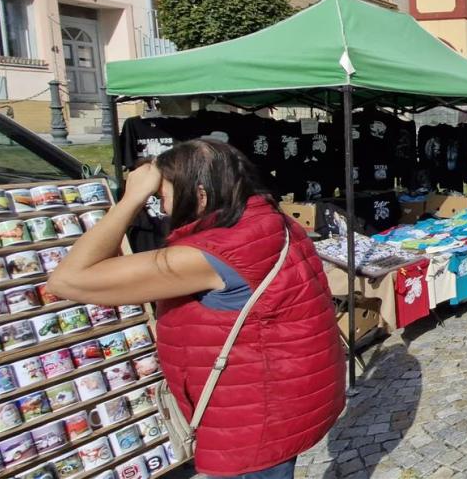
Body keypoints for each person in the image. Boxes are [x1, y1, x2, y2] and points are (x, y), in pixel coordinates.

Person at [47, 139, 346, 479]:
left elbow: (67, 280)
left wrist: (131, 199)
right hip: (284, 398)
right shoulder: (270, 220)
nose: (161, 207)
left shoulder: (212, 254)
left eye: (161, 196)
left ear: (200, 195)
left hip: (250, 420)